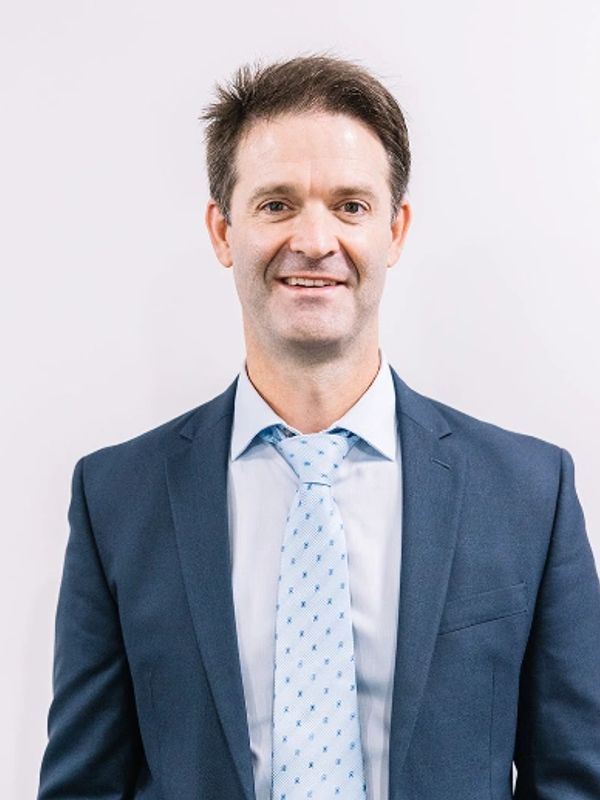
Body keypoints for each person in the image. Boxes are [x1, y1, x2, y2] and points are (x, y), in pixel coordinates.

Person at [37, 55, 600, 800]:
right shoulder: (116, 498)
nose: (313, 239)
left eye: (350, 206)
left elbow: (576, 779)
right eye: (276, 204)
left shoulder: (530, 493)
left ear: (395, 230)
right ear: (222, 231)